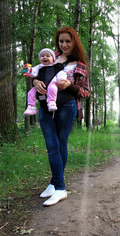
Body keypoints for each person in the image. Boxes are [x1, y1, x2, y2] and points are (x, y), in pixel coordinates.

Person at [32, 27, 90, 206]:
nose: (64, 45)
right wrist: (34, 81)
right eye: (61, 41)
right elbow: (35, 73)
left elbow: (85, 92)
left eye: (68, 41)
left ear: (74, 42)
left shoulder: (80, 65)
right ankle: (55, 183)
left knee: (59, 144)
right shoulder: (49, 56)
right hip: (44, 107)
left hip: (67, 107)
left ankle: (59, 188)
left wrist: (69, 85)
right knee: (51, 145)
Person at [23, 48, 70, 115]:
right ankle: (31, 107)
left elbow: (61, 73)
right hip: (40, 85)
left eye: (48, 56)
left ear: (53, 58)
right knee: (30, 93)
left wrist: (61, 79)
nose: (45, 57)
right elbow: (33, 73)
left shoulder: (56, 67)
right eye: (42, 56)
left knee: (52, 89)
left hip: (52, 83)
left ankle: (51, 102)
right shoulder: (39, 67)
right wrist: (27, 70)